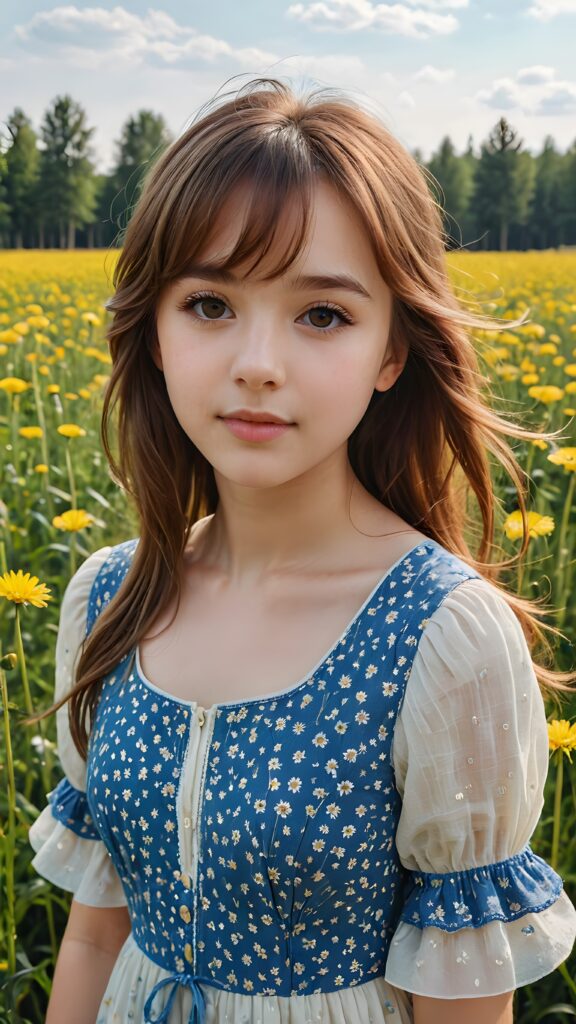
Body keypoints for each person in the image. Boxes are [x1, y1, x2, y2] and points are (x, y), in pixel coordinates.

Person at [27, 76, 575, 1024]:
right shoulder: (108, 596)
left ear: (391, 354)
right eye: (208, 304)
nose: (257, 362)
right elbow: (91, 930)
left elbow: (462, 997)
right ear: (153, 330)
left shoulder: (443, 638)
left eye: (322, 314)